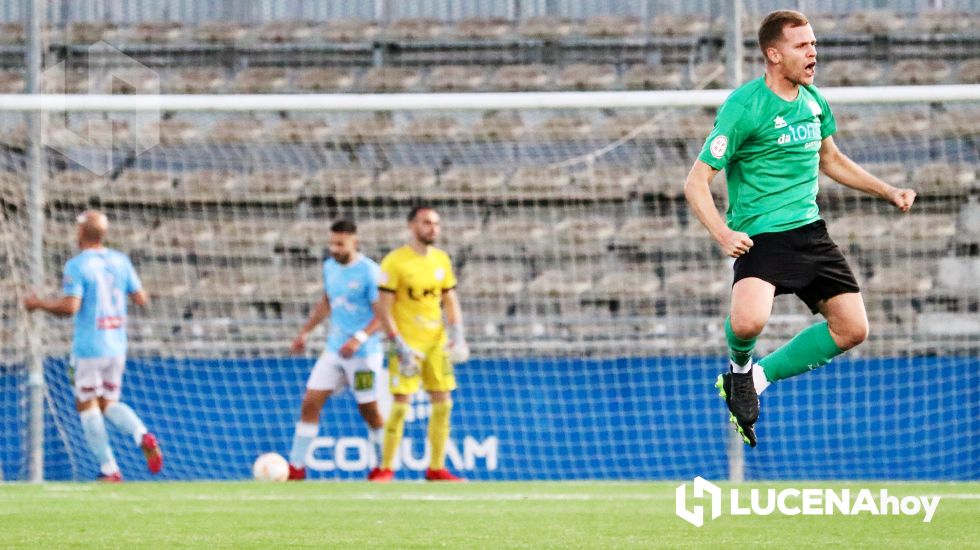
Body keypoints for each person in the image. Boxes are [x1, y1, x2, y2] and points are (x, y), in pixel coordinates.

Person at [684, 10, 916, 447]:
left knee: (852, 329)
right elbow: (696, 181)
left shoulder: (813, 100)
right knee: (749, 321)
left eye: (813, 43)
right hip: (762, 235)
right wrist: (722, 232)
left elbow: (830, 159)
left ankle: (758, 378)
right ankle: (737, 372)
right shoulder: (744, 107)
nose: (813, 52)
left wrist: (888, 191)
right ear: (773, 54)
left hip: (810, 232)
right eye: (801, 45)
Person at [23, 210, 163, 481]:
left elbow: (70, 306)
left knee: (87, 405)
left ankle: (109, 468)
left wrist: (38, 304)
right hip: (116, 346)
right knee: (109, 402)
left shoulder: (77, 265)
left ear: (79, 233)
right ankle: (141, 434)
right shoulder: (120, 261)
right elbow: (141, 298)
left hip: (89, 348)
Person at [368, 206, 469, 482]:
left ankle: (436, 467)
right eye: (426, 223)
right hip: (406, 343)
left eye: (436, 223)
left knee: (444, 403)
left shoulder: (441, 260)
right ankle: (386, 467)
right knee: (401, 404)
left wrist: (458, 334)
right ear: (412, 226)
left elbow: (449, 299)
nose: (433, 228)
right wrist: (397, 344)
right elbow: (384, 308)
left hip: (436, 342)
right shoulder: (395, 261)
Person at [287, 219, 385, 480]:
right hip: (333, 350)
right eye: (332, 243)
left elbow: (383, 315)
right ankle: (296, 467)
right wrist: (305, 332)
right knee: (310, 402)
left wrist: (359, 338)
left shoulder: (370, 272)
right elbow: (327, 302)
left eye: (340, 244)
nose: (334, 248)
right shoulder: (329, 267)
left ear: (355, 242)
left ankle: (383, 465)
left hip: (364, 355)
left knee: (369, 410)